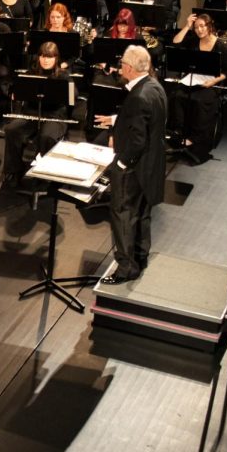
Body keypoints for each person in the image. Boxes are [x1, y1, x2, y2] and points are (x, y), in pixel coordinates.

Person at [93, 45, 166, 284]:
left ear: (129, 68)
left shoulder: (138, 96)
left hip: (133, 169)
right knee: (142, 214)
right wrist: (117, 119)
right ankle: (140, 256)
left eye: (123, 62)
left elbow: (137, 140)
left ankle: (126, 268)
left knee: (123, 214)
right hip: (151, 166)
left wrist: (122, 164)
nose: (120, 66)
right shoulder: (154, 87)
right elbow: (144, 120)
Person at [2, 42, 72, 186]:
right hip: (32, 113)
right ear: (38, 57)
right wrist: (16, 93)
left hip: (54, 115)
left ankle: (44, 173)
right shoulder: (31, 73)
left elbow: (71, 98)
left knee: (46, 136)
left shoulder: (64, 76)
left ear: (56, 58)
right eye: (43, 56)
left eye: (50, 57)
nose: (46, 60)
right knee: (11, 130)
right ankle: (14, 169)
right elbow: (18, 92)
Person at [168, 13, 227, 161]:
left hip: (212, 82)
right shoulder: (193, 41)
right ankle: (180, 132)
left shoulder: (220, 46)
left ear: (209, 26)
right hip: (194, 78)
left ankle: (196, 138)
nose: (199, 30)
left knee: (199, 101)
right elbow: (176, 43)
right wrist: (186, 26)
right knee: (177, 96)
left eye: (202, 26)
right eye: (196, 27)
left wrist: (213, 82)